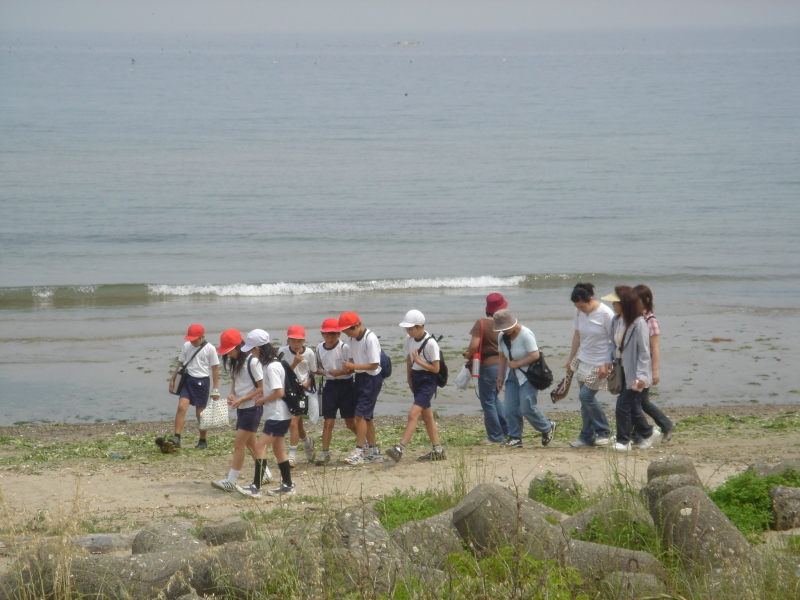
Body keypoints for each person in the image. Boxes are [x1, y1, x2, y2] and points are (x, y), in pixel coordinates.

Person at [236, 329, 296, 498]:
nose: (251, 353)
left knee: (260, 447)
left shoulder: (271, 367)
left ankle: (256, 487)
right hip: (281, 414)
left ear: (259, 349)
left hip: (277, 414)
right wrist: (265, 396)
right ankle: (287, 486)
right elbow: (275, 391)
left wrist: (262, 400)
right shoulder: (274, 363)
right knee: (278, 449)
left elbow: (279, 393)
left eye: (252, 349)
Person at [211, 329, 272, 492]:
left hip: (252, 407)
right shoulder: (235, 362)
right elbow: (236, 382)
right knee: (251, 444)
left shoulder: (252, 361)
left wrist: (242, 399)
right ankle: (265, 473)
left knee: (239, 444)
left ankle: (231, 480)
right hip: (242, 407)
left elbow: (262, 388)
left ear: (239, 346)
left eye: (229, 350)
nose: (228, 354)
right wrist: (232, 394)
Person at [605, 287, 661, 451]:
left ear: (625, 303)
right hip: (621, 369)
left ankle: (624, 441)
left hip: (635, 371)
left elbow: (645, 352)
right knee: (631, 405)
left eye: (615, 302)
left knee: (623, 405)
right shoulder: (616, 320)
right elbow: (612, 344)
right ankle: (648, 432)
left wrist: (642, 377)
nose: (613, 305)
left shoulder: (639, 323)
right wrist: (608, 361)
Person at [386, 310, 446, 462]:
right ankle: (437, 449)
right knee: (427, 417)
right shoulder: (410, 338)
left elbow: (436, 369)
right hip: (417, 378)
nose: (408, 331)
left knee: (413, 414)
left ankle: (399, 448)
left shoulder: (431, 343)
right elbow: (408, 358)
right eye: (407, 329)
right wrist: (409, 378)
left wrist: (419, 362)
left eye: (411, 328)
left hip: (428, 381)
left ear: (420, 327)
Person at [494, 309, 557, 448]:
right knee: (510, 408)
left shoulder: (526, 334)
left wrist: (517, 363)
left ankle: (547, 427)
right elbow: (502, 356)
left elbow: (534, 355)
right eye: (502, 329)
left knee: (527, 407)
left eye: (506, 328)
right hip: (513, 375)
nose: (505, 331)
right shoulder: (501, 336)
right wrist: (500, 376)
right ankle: (515, 437)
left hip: (529, 375)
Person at [564, 283, 614, 448]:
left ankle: (604, 431)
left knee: (585, 396)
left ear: (591, 299)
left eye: (582, 306)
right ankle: (586, 437)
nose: (580, 310)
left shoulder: (606, 313)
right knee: (585, 402)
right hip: (583, 360)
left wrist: (606, 363)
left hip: (600, 362)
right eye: (577, 306)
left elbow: (614, 341)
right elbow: (577, 335)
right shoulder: (578, 311)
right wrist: (571, 358)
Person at [338, 311, 384, 465]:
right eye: (344, 332)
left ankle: (359, 451)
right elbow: (353, 357)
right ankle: (374, 451)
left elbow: (374, 364)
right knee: (367, 417)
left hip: (371, 378)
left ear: (357, 325)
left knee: (360, 415)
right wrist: (348, 367)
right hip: (360, 377)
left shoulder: (369, 338)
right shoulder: (352, 338)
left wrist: (354, 366)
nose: (346, 334)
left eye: (348, 330)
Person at [463, 293, 509, 445]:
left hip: (488, 366)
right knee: (494, 399)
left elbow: (475, 345)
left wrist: (468, 354)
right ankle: (506, 430)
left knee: (488, 402)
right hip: (503, 365)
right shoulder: (505, 325)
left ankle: (495, 437)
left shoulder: (481, 323)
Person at [632, 284, 675, 443]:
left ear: (646, 300)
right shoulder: (637, 318)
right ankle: (664, 425)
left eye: (637, 299)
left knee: (636, 402)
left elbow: (655, 348)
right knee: (640, 402)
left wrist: (655, 372)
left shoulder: (650, 320)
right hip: (637, 366)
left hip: (645, 368)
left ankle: (647, 431)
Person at [168, 324, 220, 449]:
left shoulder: (210, 349)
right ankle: (177, 437)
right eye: (190, 339)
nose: (192, 341)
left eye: (194, 339)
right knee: (181, 407)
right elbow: (181, 363)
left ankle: (202, 440)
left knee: (200, 413)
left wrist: (215, 389)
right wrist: (173, 378)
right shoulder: (187, 346)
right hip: (188, 380)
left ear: (202, 337)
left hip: (202, 382)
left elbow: (215, 369)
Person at [314, 318, 358, 465]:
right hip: (330, 386)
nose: (330, 337)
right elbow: (319, 365)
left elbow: (352, 368)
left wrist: (340, 372)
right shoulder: (319, 348)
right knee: (328, 421)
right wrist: (319, 371)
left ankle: (364, 444)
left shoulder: (344, 347)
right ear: (322, 334)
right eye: (327, 335)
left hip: (346, 385)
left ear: (339, 334)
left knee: (350, 422)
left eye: (333, 334)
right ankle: (325, 453)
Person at [278, 326, 317, 467]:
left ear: (304, 341)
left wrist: (307, 383)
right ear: (288, 340)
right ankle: (307, 442)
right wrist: (295, 362)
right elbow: (281, 373)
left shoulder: (310, 353)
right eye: (293, 341)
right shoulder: (282, 352)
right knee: (298, 425)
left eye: (299, 341)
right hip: (288, 390)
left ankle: (292, 456)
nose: (296, 344)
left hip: (302, 391)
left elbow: (313, 372)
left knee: (293, 422)